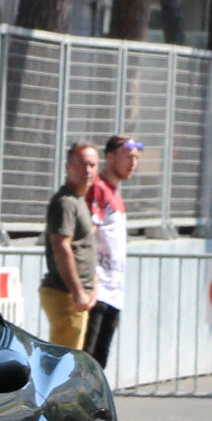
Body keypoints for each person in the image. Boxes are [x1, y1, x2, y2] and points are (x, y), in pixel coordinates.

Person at [84, 135, 140, 367]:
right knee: (87, 358)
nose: (133, 163)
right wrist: (91, 278)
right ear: (110, 157)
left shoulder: (115, 193)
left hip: (114, 291)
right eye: (128, 157)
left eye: (136, 158)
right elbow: (87, 234)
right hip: (99, 291)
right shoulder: (98, 188)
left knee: (100, 360)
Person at [39, 141, 99, 351]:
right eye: (82, 164)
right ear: (68, 167)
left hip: (76, 296)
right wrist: (77, 292)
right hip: (66, 295)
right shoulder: (65, 203)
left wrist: (93, 283)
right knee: (63, 362)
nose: (88, 170)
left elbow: (83, 247)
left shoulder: (78, 201)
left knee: (71, 360)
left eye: (92, 165)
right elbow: (61, 247)